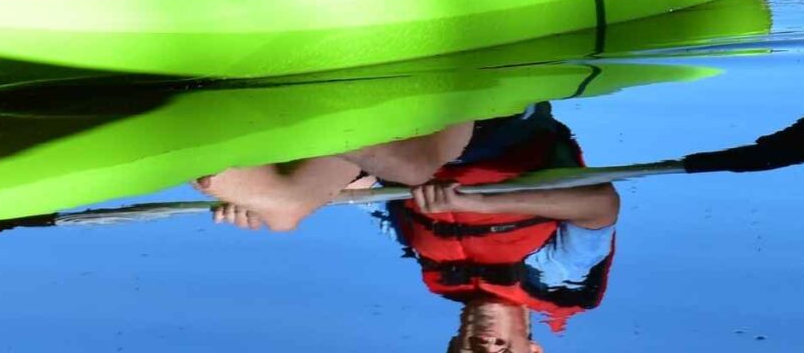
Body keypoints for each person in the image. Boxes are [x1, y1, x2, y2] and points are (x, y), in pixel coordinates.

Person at [199, 100, 618, 349]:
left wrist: (254, 202)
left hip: (401, 139)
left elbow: (364, 191)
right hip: (494, 124)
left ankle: (203, 151)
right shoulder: (557, 278)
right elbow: (599, 204)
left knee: (286, 210)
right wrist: (483, 203)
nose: (487, 346)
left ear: (453, 347)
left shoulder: (436, 267)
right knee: (412, 167)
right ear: (533, 351)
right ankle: (298, 119)